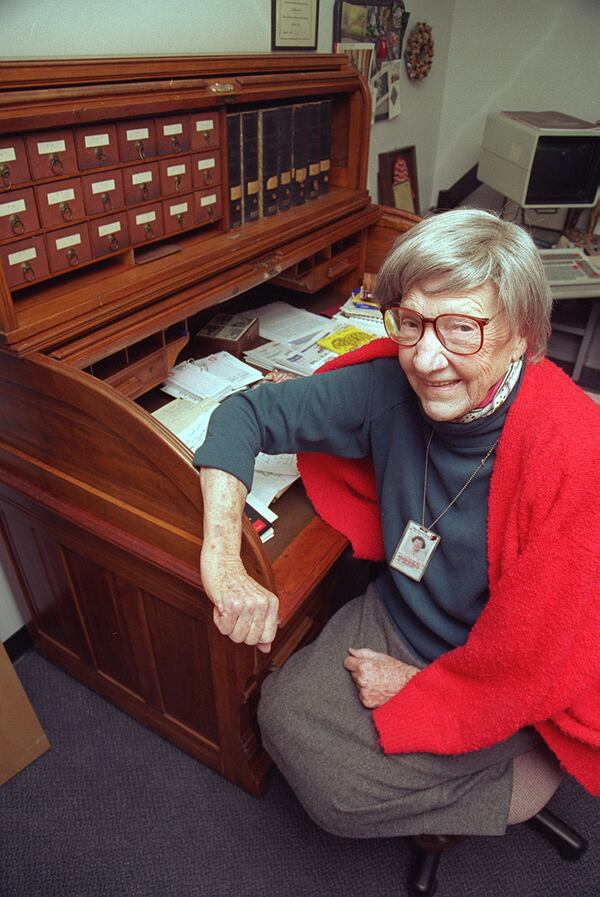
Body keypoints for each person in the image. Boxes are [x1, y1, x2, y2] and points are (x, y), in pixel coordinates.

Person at [195, 209, 600, 840]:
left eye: (462, 329)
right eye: (411, 323)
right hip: (399, 614)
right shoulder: (391, 384)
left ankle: (523, 774)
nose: (427, 359)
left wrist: (425, 690)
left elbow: (537, 653)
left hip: (499, 662)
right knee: (279, 712)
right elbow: (244, 414)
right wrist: (221, 557)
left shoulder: (575, 453)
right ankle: (488, 766)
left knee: (339, 799)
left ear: (523, 335)